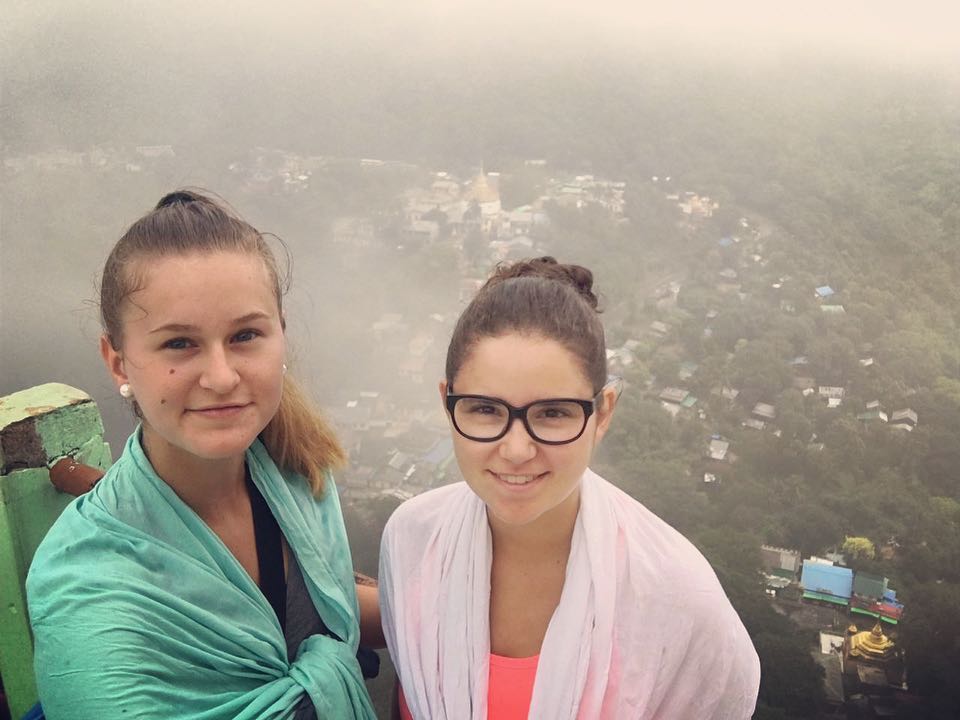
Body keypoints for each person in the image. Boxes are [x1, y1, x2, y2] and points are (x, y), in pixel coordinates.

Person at [27, 190, 379, 719]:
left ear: (281, 335)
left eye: (245, 335)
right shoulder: (89, 587)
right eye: (179, 344)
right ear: (118, 362)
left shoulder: (293, 474)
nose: (220, 377)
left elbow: (330, 612)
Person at [379, 257, 760, 719]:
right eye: (485, 410)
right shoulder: (414, 541)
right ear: (447, 403)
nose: (516, 449)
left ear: (603, 414)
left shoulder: (675, 596)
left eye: (553, 413)